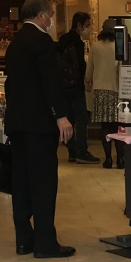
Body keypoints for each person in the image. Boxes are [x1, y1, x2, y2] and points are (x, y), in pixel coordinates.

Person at [4, 0, 76, 259]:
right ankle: (45, 242)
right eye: (51, 15)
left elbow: (11, 84)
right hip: (39, 125)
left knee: (21, 182)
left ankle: (24, 240)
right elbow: (50, 82)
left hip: (17, 124)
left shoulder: (15, 43)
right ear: (42, 15)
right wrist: (61, 116)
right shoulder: (42, 41)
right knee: (43, 183)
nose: (52, 20)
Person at [58, 11, 99, 164]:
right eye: (87, 25)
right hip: (75, 86)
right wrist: (86, 81)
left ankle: (72, 151)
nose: (88, 28)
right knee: (81, 118)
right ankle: (82, 151)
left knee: (69, 118)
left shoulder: (62, 40)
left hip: (63, 86)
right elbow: (81, 66)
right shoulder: (77, 42)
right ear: (80, 25)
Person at [85, 23, 123, 168]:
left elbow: (89, 68)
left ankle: (108, 159)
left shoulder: (95, 46)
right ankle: (120, 159)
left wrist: (87, 81)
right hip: (115, 89)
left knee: (105, 126)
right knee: (117, 126)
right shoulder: (118, 47)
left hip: (99, 90)